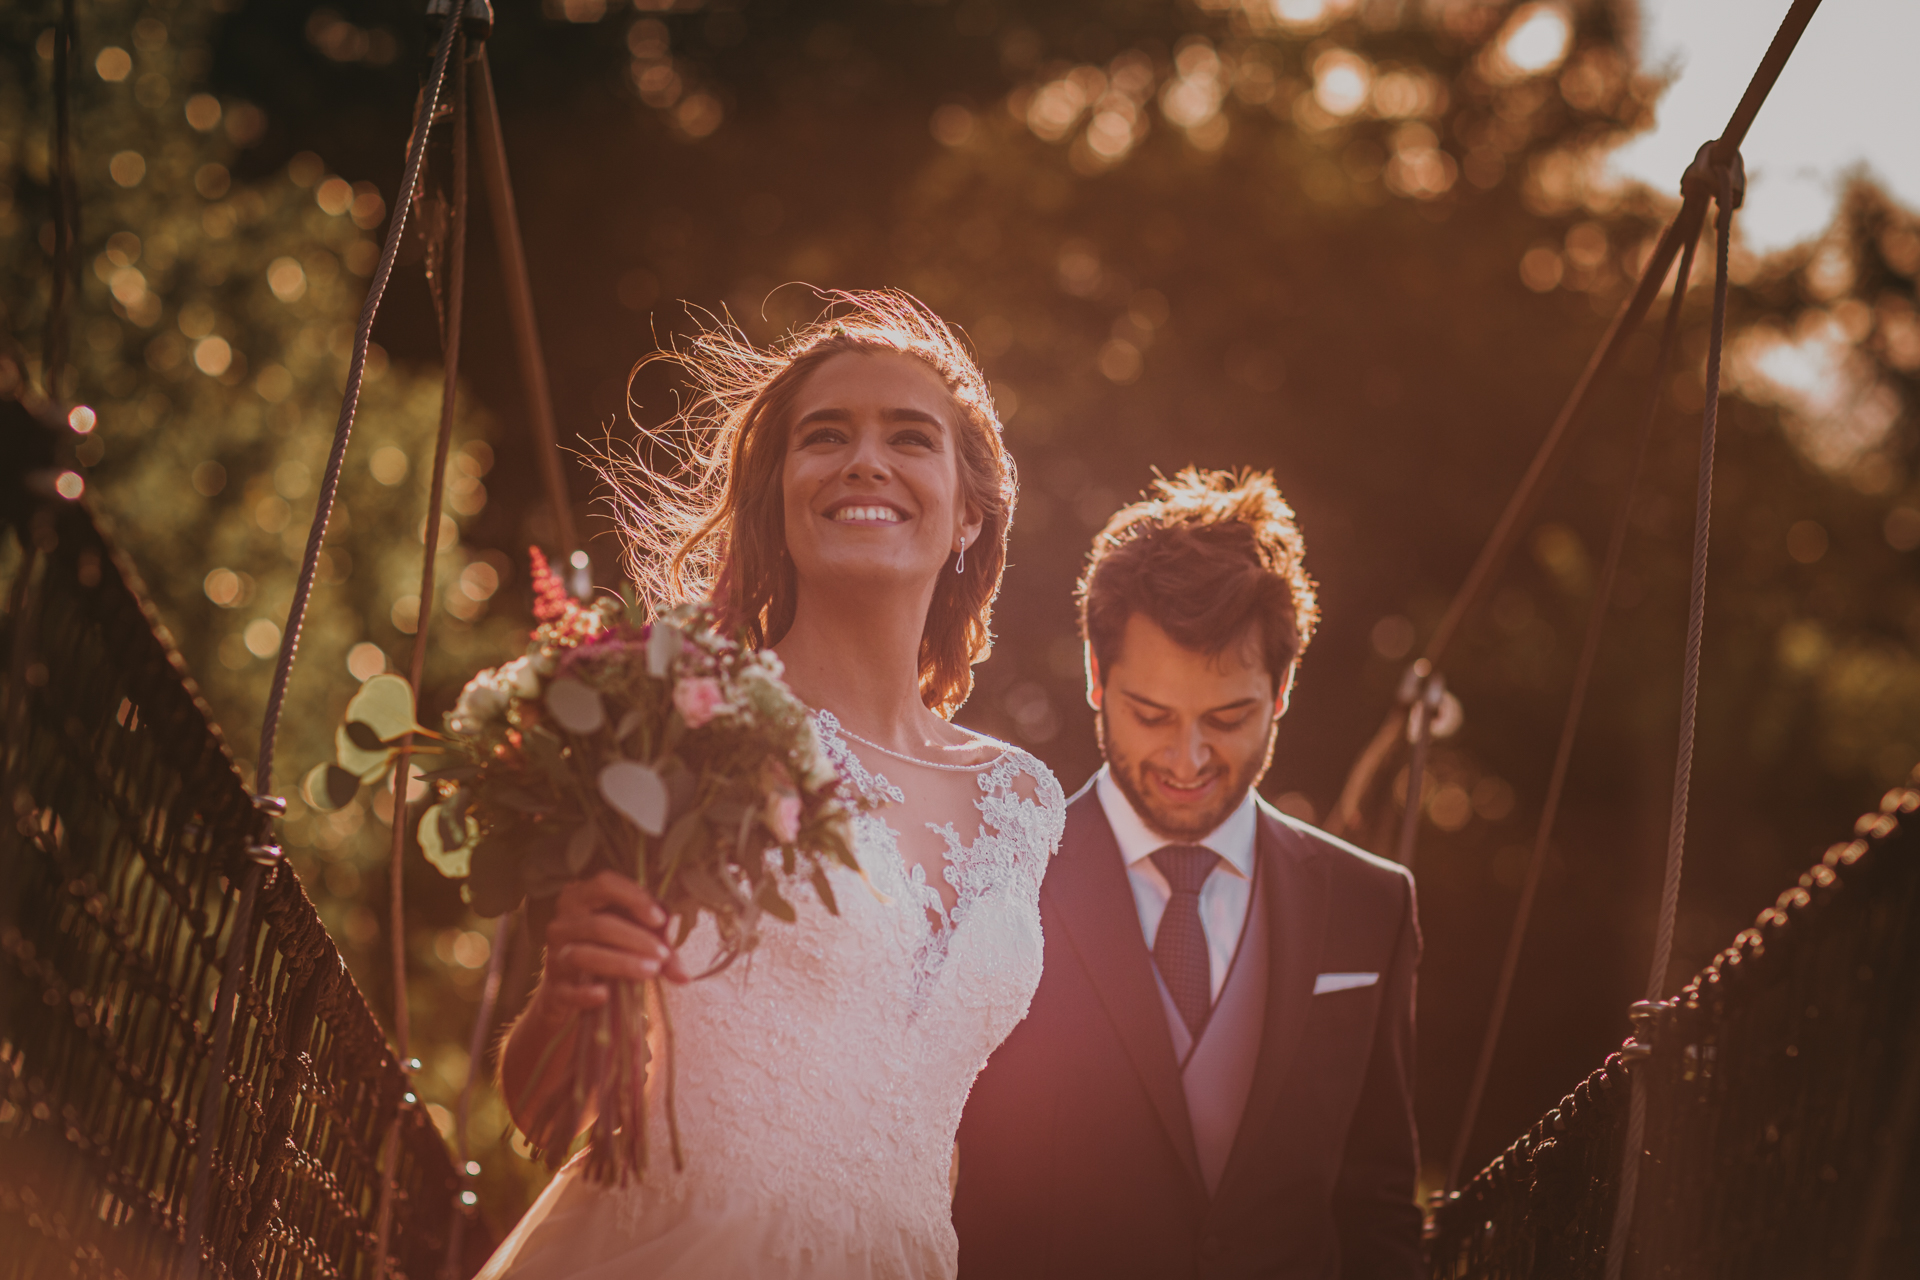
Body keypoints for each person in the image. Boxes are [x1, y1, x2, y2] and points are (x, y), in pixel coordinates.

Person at [478, 292, 1065, 1280]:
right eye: (824, 436)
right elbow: (545, 1115)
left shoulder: (1024, 798)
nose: (865, 460)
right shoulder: (678, 724)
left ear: (970, 511)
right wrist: (564, 987)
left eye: (909, 437)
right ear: (780, 497)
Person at [954, 469, 1424, 1278]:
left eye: (1228, 718)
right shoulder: (1001, 880)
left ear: (1281, 689)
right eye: (1151, 714)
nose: (1188, 759)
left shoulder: (1371, 905)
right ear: (1097, 680)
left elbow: (1376, 1205)